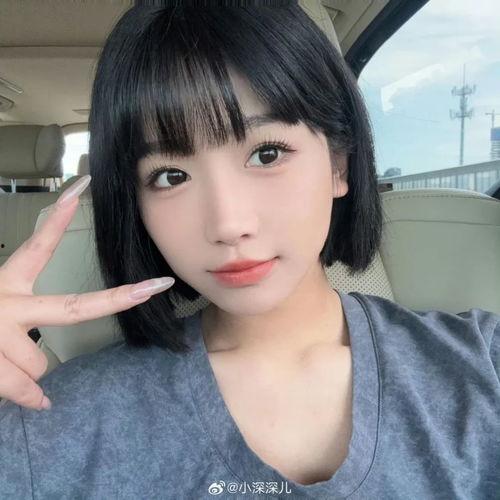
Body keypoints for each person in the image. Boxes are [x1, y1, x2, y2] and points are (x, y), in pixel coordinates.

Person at [0, 3, 499, 499]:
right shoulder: (54, 421)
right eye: (171, 176)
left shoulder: (483, 364)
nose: (228, 224)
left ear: (338, 165)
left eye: (267, 153)